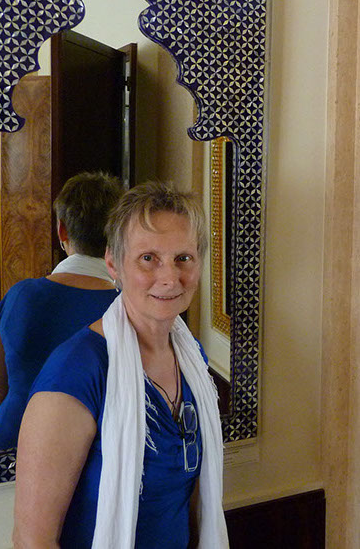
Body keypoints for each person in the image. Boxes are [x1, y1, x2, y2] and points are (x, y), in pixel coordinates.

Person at [13, 181, 229, 548]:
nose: (169, 278)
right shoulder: (75, 372)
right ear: (113, 262)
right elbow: (31, 540)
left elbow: (191, 501)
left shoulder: (190, 355)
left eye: (183, 258)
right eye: (148, 258)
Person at [0, 171, 124, 453]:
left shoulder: (18, 295)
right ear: (121, 235)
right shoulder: (128, 310)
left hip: (12, 439)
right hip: (89, 452)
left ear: (62, 231)